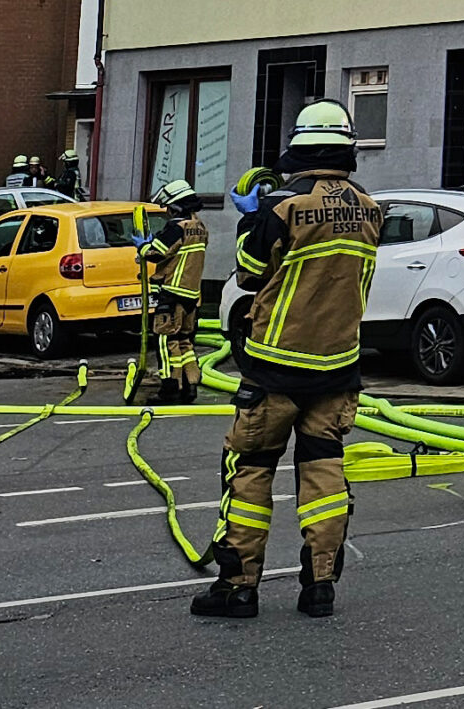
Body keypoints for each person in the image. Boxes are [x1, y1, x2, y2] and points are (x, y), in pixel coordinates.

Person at [193, 100, 382, 620]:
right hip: (338, 366)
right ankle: (320, 585)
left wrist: (252, 216)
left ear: (298, 148)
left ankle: (238, 587)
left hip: (275, 365)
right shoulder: (371, 207)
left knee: (251, 470)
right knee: (323, 473)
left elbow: (250, 273)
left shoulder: (282, 206)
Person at [136, 176, 210, 404]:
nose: (167, 211)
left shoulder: (176, 228)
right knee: (185, 342)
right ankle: (190, 386)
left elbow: (155, 252)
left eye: (168, 206)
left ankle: (170, 389)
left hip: (173, 294)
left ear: (176, 205)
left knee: (166, 342)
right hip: (191, 296)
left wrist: (143, 246)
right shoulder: (200, 227)